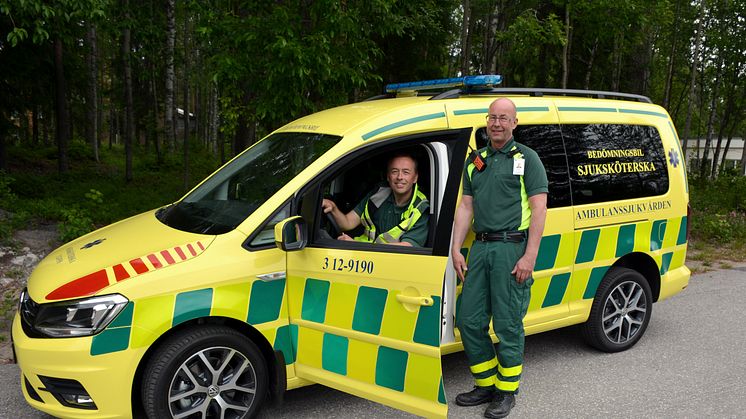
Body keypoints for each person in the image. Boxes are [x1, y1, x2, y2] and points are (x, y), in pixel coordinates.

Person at [451, 98, 548, 418]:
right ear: (487, 121)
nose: (497, 123)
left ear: (514, 123)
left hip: (511, 248)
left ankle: (507, 391)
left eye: (504, 118)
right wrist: (456, 248)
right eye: (493, 117)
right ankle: (486, 383)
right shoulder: (475, 161)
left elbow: (539, 209)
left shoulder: (528, 158)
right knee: (467, 319)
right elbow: (466, 207)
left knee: (507, 324)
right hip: (480, 248)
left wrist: (529, 256)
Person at [321, 153, 430, 247]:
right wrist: (333, 208)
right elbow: (348, 223)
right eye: (394, 171)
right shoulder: (378, 194)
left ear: (415, 178)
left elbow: (407, 247)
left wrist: (356, 245)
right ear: (388, 177)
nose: (399, 177)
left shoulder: (420, 207)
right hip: (364, 261)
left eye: (406, 172)